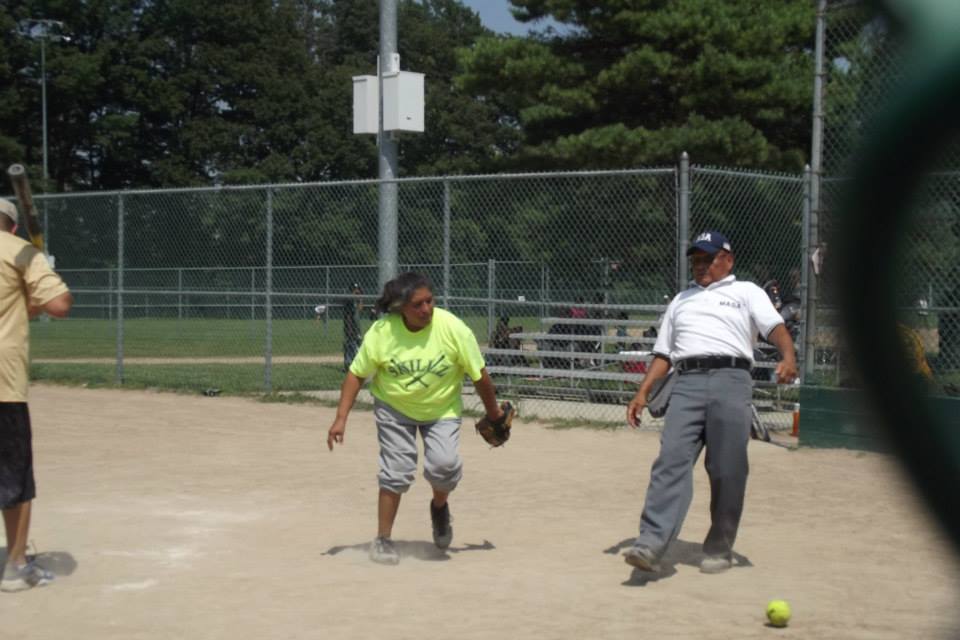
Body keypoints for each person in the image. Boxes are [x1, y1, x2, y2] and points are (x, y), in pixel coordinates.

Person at [623, 230, 796, 575]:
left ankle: (719, 546)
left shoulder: (745, 291)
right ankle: (652, 541)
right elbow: (663, 353)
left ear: (727, 260)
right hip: (686, 383)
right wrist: (642, 391)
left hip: (731, 381)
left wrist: (788, 356)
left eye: (708, 258)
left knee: (727, 468)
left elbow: (774, 327)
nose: (700, 265)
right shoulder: (680, 300)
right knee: (670, 460)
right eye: (696, 259)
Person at [326, 272, 506, 565]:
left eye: (429, 301)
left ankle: (439, 508)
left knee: (444, 467)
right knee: (396, 469)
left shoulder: (452, 328)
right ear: (399, 308)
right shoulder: (383, 331)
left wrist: (494, 412)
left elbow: (480, 376)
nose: (426, 309)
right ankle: (383, 539)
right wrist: (340, 418)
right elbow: (357, 374)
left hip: (442, 409)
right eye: (417, 305)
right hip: (394, 408)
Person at [0, 198, 73, 592]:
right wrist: (44, 275)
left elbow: (17, 308)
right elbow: (59, 305)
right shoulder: (19, 251)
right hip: (2, 386)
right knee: (14, 478)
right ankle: (15, 566)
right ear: (12, 227)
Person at [341, 283, 363, 372]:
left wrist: (360, 299)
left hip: (356, 327)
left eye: (357, 289)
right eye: (355, 289)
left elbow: (360, 309)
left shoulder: (356, 300)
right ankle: (348, 366)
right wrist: (350, 329)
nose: (357, 291)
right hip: (350, 326)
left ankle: (353, 365)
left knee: (356, 345)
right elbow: (348, 316)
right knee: (350, 345)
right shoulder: (349, 299)